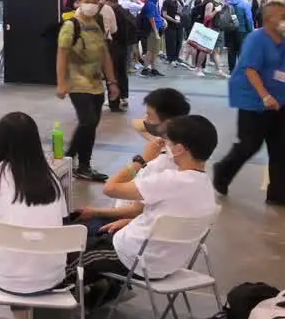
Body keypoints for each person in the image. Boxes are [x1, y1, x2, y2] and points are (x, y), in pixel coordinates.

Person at [74, 116, 219, 307]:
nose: (163, 145)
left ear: (179, 149)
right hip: (168, 263)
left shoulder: (170, 180)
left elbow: (110, 188)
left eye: (167, 141)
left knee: (69, 254)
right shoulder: (205, 187)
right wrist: (129, 222)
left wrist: (141, 160)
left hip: (132, 258)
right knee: (93, 235)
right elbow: (163, 218)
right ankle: (105, 289)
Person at [0, 112, 70, 319]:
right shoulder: (52, 178)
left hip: (11, 277)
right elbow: (61, 220)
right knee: (17, 256)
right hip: (53, 277)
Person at [212, 0, 285, 207]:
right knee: (249, 145)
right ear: (268, 19)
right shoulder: (257, 39)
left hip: (281, 101)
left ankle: (279, 194)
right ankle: (223, 171)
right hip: (255, 102)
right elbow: (250, 69)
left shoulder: (284, 41)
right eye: (283, 17)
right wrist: (265, 96)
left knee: (282, 148)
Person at [74, 88, 191, 226]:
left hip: (126, 222)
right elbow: (137, 124)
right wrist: (156, 138)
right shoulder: (184, 150)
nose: (145, 119)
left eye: (149, 115)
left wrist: (141, 161)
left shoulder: (159, 165)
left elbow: (123, 201)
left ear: (168, 123)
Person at [55, 0, 119, 182]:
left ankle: (84, 166)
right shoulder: (71, 25)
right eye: (87, 1)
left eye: (94, 2)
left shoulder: (97, 24)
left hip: (96, 85)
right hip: (77, 83)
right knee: (88, 121)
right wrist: (61, 83)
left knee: (91, 125)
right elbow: (62, 55)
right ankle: (66, 158)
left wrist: (112, 82)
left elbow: (104, 55)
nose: (91, 5)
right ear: (78, 3)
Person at [223, 0, 254, 71]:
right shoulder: (245, 3)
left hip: (229, 30)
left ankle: (231, 69)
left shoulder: (226, 3)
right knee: (242, 50)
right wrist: (251, 30)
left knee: (231, 50)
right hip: (242, 30)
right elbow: (248, 18)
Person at [137, 0, 165, 76]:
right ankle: (145, 69)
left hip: (154, 30)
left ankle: (153, 69)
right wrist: (156, 32)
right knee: (150, 51)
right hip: (152, 31)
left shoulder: (152, 2)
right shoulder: (150, 4)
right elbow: (151, 19)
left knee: (154, 51)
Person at [161, 0, 184, 68]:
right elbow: (164, 14)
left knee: (179, 41)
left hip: (179, 24)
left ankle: (176, 58)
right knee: (171, 42)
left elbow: (183, 9)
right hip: (170, 25)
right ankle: (170, 58)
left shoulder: (179, 0)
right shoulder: (166, 1)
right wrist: (174, 20)